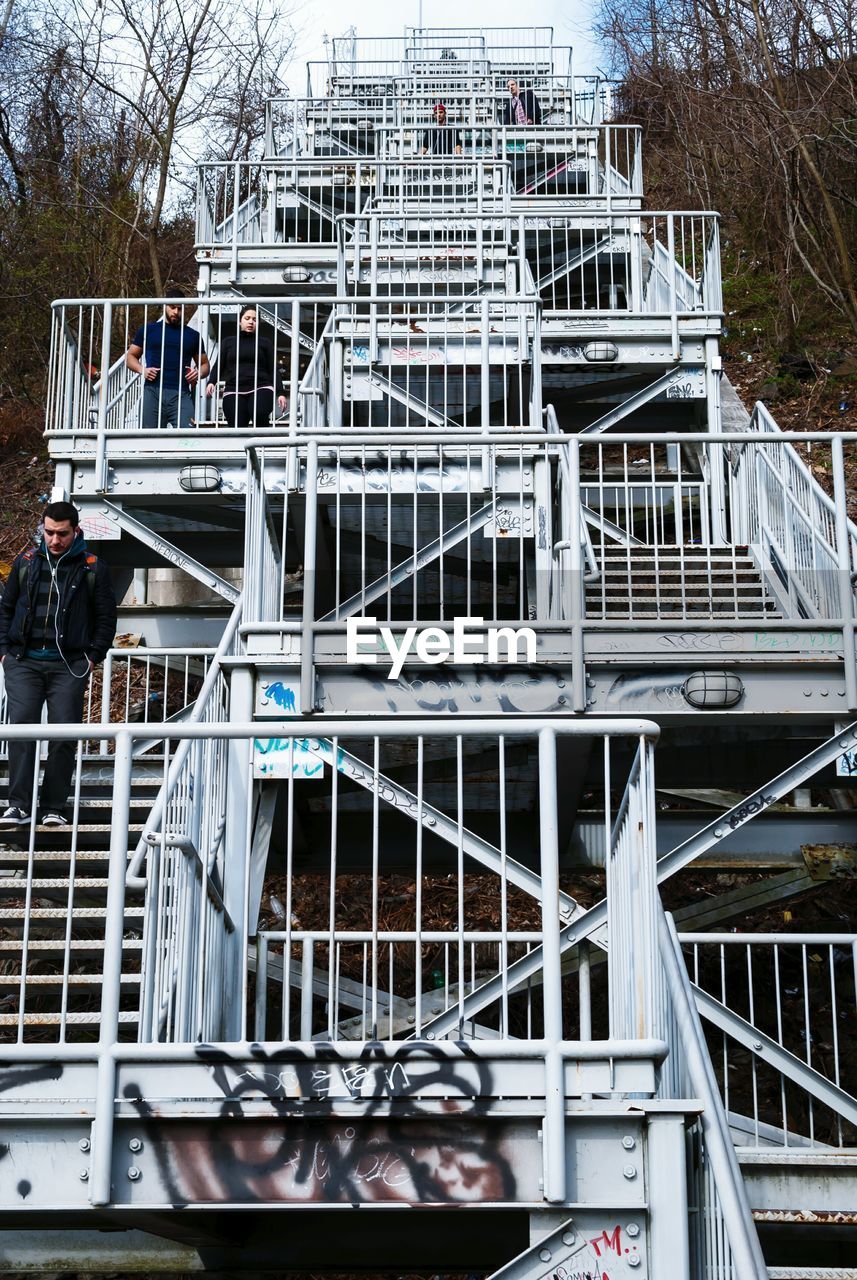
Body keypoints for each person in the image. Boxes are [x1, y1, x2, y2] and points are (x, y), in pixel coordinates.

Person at [0, 501, 117, 827]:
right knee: (21, 728)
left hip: (70, 665)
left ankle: (54, 807)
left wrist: (94, 656)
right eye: (49, 532)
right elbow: (5, 609)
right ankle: (19, 806)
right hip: (23, 662)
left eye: (62, 534)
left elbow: (106, 619)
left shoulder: (93, 567)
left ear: (75, 531)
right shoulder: (25, 562)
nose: (54, 540)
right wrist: (4, 652)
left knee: (64, 734)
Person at [125, 293, 210, 429]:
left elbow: (205, 364)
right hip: (152, 391)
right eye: (172, 307)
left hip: (181, 393)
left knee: (187, 438)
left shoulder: (193, 336)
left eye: (179, 308)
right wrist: (142, 370)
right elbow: (130, 357)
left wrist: (198, 373)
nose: (176, 312)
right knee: (148, 442)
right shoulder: (148, 330)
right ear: (165, 306)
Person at [205, 305, 287, 429]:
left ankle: (262, 444)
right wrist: (212, 382)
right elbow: (219, 365)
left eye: (254, 319)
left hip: (261, 386)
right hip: (234, 388)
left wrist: (280, 393)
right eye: (247, 318)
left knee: (259, 413)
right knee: (237, 424)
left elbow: (272, 369)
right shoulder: (228, 342)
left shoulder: (265, 343)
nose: (250, 322)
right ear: (239, 321)